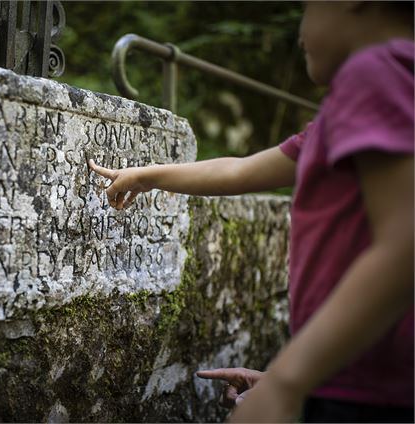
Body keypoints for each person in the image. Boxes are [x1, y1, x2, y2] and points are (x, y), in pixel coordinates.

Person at [88, 1, 414, 422]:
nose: (299, 33)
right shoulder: (358, 107)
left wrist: (288, 382)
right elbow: (240, 170)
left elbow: (404, 247)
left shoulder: (376, 73)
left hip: (365, 393)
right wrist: (145, 176)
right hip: (350, 379)